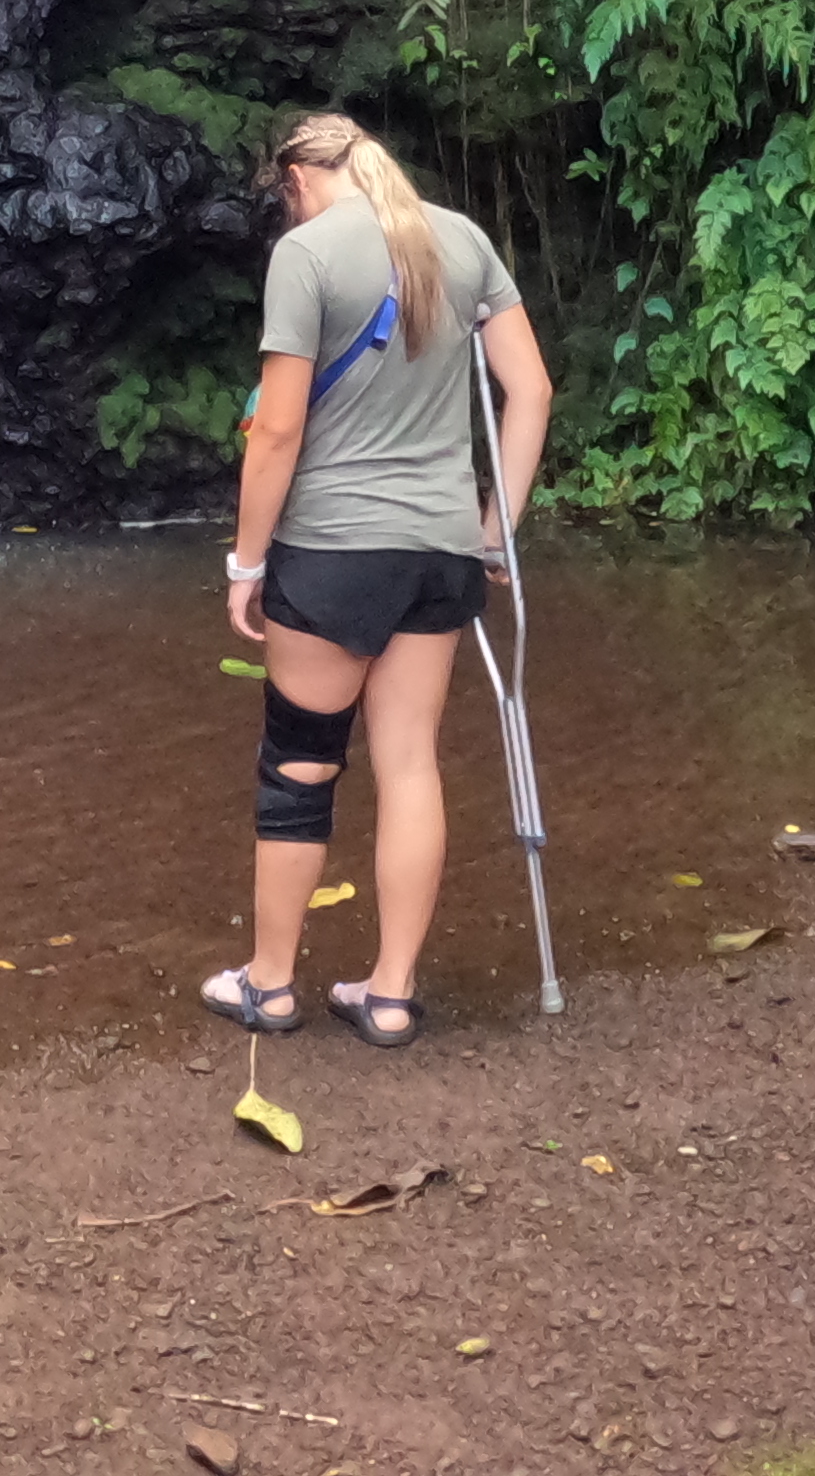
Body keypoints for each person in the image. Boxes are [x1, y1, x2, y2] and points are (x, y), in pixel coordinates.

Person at [200, 111, 552, 1050]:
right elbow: (532, 390)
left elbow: (274, 431)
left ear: (298, 182)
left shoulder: (308, 255)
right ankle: (390, 993)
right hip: (440, 554)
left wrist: (246, 563)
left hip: (332, 553)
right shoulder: (465, 240)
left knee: (300, 765)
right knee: (408, 766)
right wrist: (495, 529)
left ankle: (271, 985)